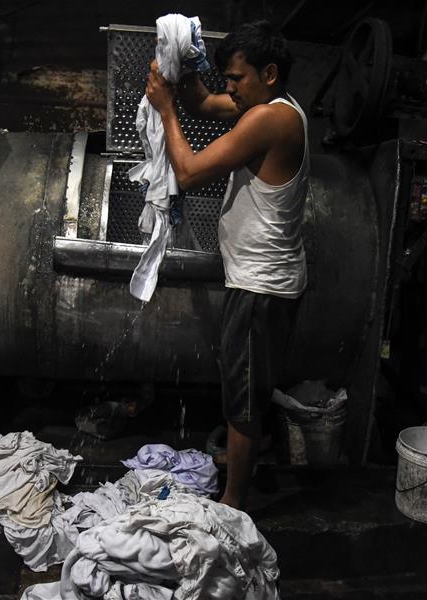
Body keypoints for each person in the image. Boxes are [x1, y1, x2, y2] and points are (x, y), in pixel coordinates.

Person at [144, 20, 309, 509]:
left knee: (244, 401)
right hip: (261, 280)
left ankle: (233, 504)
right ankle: (240, 467)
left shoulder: (270, 120)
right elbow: (202, 103)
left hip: (261, 287)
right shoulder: (268, 106)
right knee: (245, 386)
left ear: (269, 74)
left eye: (237, 78)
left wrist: (165, 109)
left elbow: (189, 171)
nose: (230, 88)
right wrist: (186, 68)